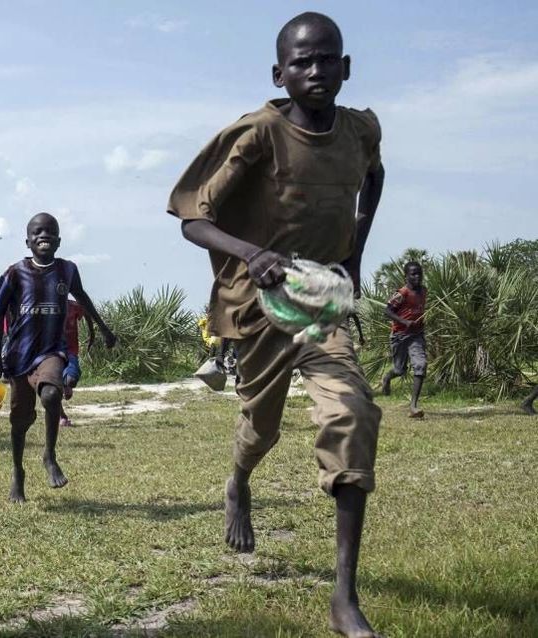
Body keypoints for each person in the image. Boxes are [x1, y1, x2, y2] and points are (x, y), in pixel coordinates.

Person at [170, 12, 386, 637]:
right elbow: (192, 218)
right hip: (262, 304)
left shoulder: (361, 131)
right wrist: (250, 253)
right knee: (260, 426)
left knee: (350, 415)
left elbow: (372, 179)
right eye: (302, 62)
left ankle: (343, 597)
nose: (316, 72)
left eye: (327, 60)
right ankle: (238, 481)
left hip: (323, 303)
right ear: (279, 73)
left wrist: (355, 252)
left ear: (345, 68)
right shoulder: (260, 133)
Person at [0, 213, 116, 502]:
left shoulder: (67, 270)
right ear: (28, 241)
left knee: (51, 396)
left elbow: (82, 297)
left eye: (50, 232)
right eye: (37, 232)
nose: (43, 236)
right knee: (19, 422)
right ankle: (18, 473)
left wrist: (104, 329)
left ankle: (49, 455)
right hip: (19, 355)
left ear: (58, 240)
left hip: (51, 350)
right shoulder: (15, 272)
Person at [380, 261, 427, 417]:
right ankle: (387, 377)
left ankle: (413, 406)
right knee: (399, 370)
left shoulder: (423, 291)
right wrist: (405, 322)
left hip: (416, 335)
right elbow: (387, 311)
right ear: (406, 276)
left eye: (419, 273)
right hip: (400, 336)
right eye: (413, 274)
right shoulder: (402, 293)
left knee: (420, 364)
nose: (417, 276)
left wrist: (420, 322)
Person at [58, 297, 94, 428]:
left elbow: (88, 313)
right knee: (52, 389)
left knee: (71, 380)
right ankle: (62, 417)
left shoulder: (74, 305)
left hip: (70, 351)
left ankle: (66, 384)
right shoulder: (46, 305)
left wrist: (92, 332)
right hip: (50, 352)